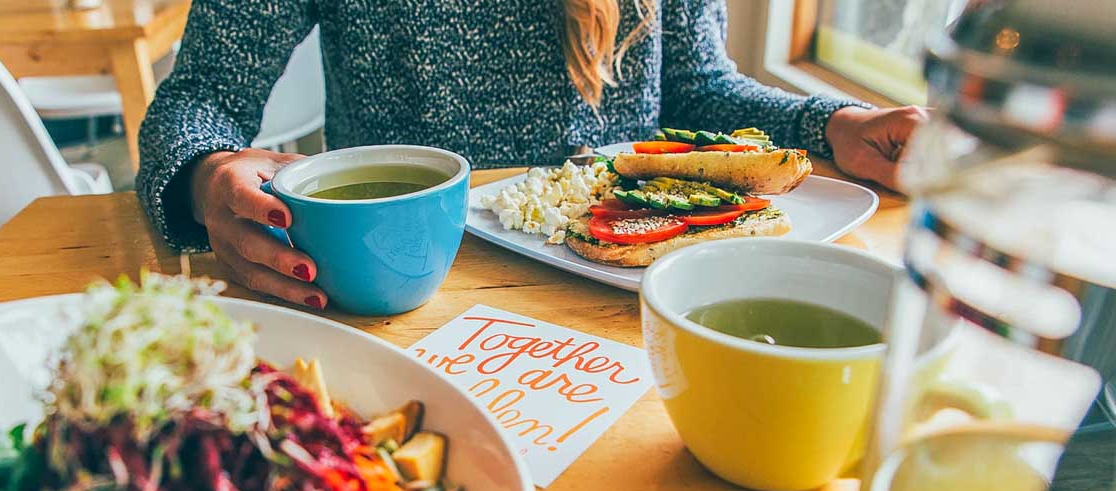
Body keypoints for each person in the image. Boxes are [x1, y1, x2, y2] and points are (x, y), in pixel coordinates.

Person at [136, 0, 926, 309]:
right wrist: (207, 177)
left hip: (641, 301)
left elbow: (698, 89)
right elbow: (197, 97)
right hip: (407, 298)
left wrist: (836, 125)